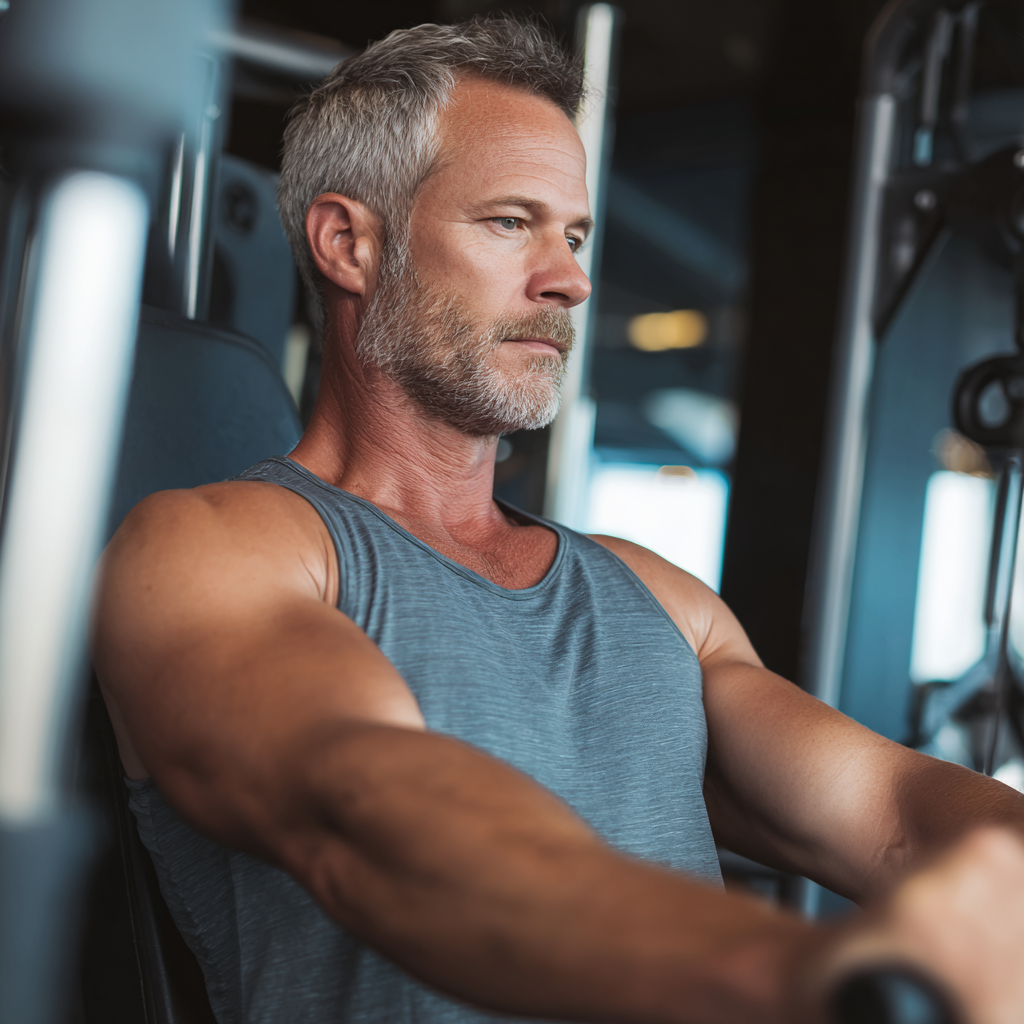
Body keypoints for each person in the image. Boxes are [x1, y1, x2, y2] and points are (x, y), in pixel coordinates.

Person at [93, 16, 1024, 1024]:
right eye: (509, 222)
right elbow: (373, 823)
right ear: (348, 242)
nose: (570, 278)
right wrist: (807, 979)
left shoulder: (654, 597)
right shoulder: (219, 550)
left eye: (573, 234)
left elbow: (891, 812)